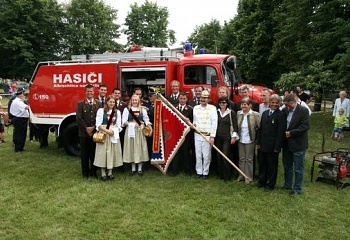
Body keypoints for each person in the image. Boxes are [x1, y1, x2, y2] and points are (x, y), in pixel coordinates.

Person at [256, 94, 286, 191]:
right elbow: (260, 129)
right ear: (269, 103)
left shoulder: (281, 115)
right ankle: (261, 181)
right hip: (262, 144)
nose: (274, 104)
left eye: (276, 103)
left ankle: (270, 184)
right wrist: (258, 142)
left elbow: (281, 132)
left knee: (272, 166)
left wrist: (277, 146)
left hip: (273, 146)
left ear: (279, 104)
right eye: (272, 102)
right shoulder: (264, 113)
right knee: (262, 164)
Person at [282, 93, 310, 196]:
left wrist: (291, 133)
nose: (288, 107)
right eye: (286, 105)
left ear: (294, 102)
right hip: (286, 144)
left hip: (298, 144)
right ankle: (287, 184)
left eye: (290, 105)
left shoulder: (303, 110)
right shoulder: (284, 110)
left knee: (298, 168)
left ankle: (297, 188)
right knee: (287, 165)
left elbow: (305, 126)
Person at [93, 96, 123, 181]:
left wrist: (114, 130)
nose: (112, 104)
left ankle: (110, 172)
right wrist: (107, 131)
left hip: (113, 134)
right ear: (106, 102)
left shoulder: (117, 112)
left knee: (112, 153)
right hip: (104, 134)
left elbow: (119, 125)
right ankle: (103, 173)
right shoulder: (101, 111)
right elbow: (98, 125)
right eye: (110, 102)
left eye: (113, 102)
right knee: (103, 153)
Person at [122, 94, 152, 176]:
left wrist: (149, 126)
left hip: (140, 130)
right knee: (131, 148)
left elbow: (146, 120)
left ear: (139, 101)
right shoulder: (127, 109)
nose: (135, 101)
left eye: (136, 100)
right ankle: (133, 168)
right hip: (130, 130)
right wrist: (131, 124)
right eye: (133, 100)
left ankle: (139, 168)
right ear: (131, 101)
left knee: (139, 148)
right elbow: (124, 121)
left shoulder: (142, 109)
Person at [192, 90, 218, 180]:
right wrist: (193, 124)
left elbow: (214, 123)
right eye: (202, 98)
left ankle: (205, 172)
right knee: (198, 155)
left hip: (207, 135)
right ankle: (199, 172)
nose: (203, 99)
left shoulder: (212, 108)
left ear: (208, 99)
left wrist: (212, 136)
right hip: (197, 135)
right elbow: (194, 121)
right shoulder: (195, 108)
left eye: (205, 98)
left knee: (206, 155)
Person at [76, 84, 100, 180]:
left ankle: (93, 172)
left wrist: (93, 128)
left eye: (91, 91)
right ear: (85, 92)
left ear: (94, 92)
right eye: (88, 91)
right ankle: (85, 173)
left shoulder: (98, 104)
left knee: (93, 153)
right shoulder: (80, 104)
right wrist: (87, 128)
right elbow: (79, 118)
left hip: (94, 133)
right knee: (84, 154)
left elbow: (99, 118)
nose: (89, 93)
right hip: (84, 133)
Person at [236, 98, 260, 184]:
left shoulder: (255, 115)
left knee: (249, 159)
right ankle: (241, 175)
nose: (243, 106)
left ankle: (248, 177)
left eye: (245, 104)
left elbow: (259, 128)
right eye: (242, 104)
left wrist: (258, 141)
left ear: (250, 105)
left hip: (250, 140)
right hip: (241, 140)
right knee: (241, 158)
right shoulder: (238, 114)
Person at [170, 92, 194, 176]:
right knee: (175, 152)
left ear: (187, 99)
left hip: (185, 135)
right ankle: (175, 170)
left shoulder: (190, 109)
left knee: (186, 152)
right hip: (175, 134)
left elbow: (193, 123)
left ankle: (187, 171)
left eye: (184, 99)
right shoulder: (173, 108)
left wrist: (189, 121)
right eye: (181, 98)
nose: (182, 100)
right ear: (178, 99)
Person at [215, 96, 238, 181]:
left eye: (224, 103)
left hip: (227, 138)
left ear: (227, 103)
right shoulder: (216, 112)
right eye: (220, 103)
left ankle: (227, 175)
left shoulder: (231, 113)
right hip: (217, 137)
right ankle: (220, 175)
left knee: (225, 156)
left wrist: (234, 136)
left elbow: (235, 126)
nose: (222, 104)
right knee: (218, 156)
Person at [9, 88, 30, 152]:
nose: (24, 96)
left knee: (21, 134)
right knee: (20, 134)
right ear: (21, 95)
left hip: (20, 119)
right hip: (19, 119)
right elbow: (26, 107)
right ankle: (18, 148)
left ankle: (20, 147)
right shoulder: (18, 102)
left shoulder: (18, 101)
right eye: (24, 94)